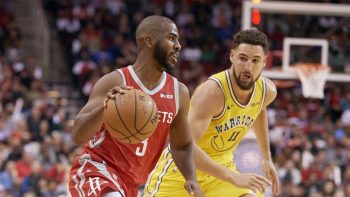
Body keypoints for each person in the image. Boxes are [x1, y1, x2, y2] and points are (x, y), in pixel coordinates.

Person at [68, 15, 203, 197]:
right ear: (149, 41)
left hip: (132, 185)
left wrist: (191, 177)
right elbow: (78, 136)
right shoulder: (116, 81)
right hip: (97, 171)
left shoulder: (179, 92)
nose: (178, 45)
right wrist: (103, 108)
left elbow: (182, 145)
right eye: (171, 38)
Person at [145, 29, 280, 197]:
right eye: (243, 58)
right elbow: (184, 146)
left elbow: (259, 110)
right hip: (182, 172)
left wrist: (266, 158)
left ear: (264, 62)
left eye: (255, 60)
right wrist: (235, 177)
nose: (248, 67)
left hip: (220, 171)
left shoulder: (266, 91)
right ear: (232, 56)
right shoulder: (212, 93)